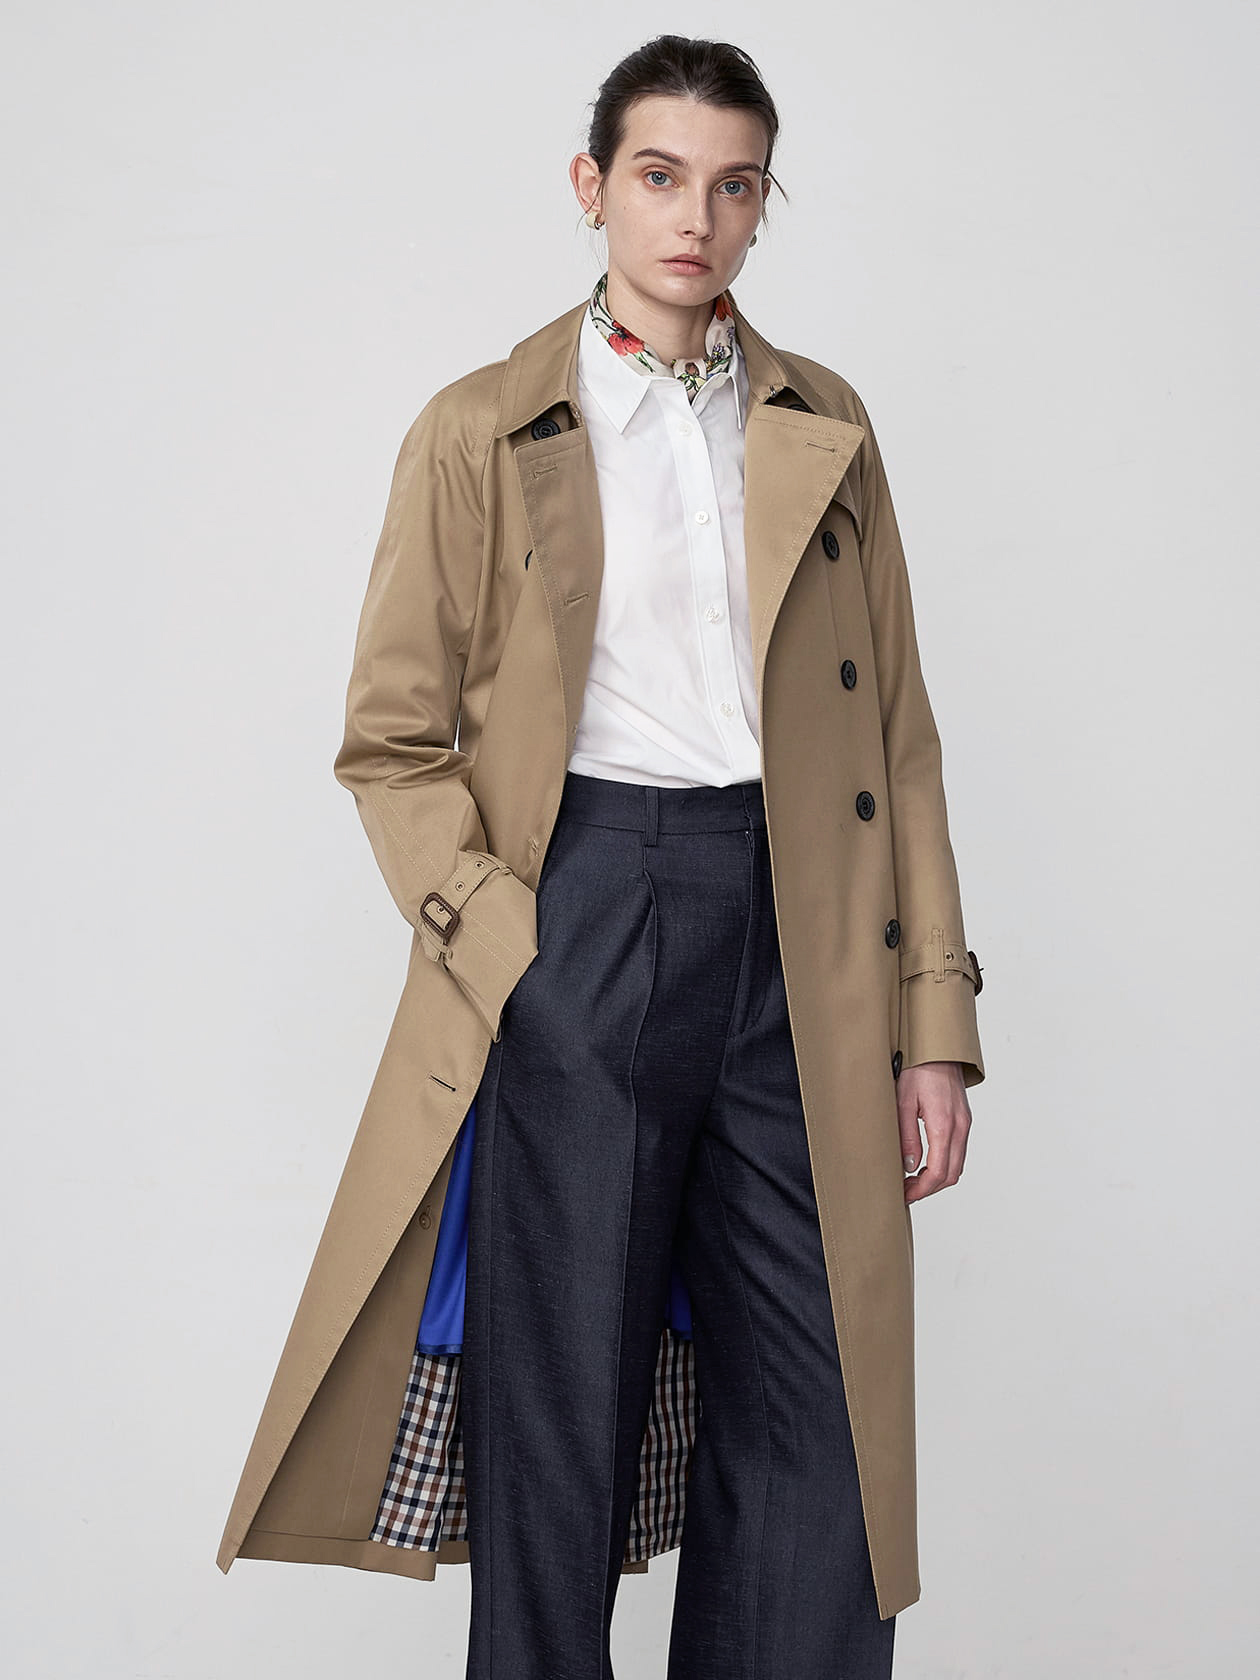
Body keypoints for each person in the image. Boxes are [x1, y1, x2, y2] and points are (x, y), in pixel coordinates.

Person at [216, 32, 985, 1680]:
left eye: (734, 184)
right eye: (658, 176)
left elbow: (900, 744)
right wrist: (511, 945)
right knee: (557, 1429)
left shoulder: (826, 423)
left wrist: (934, 1022)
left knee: (826, 1428)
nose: (694, 218)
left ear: (764, 203)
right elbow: (392, 739)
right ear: (592, 187)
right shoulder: (481, 429)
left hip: (802, 942)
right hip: (584, 918)